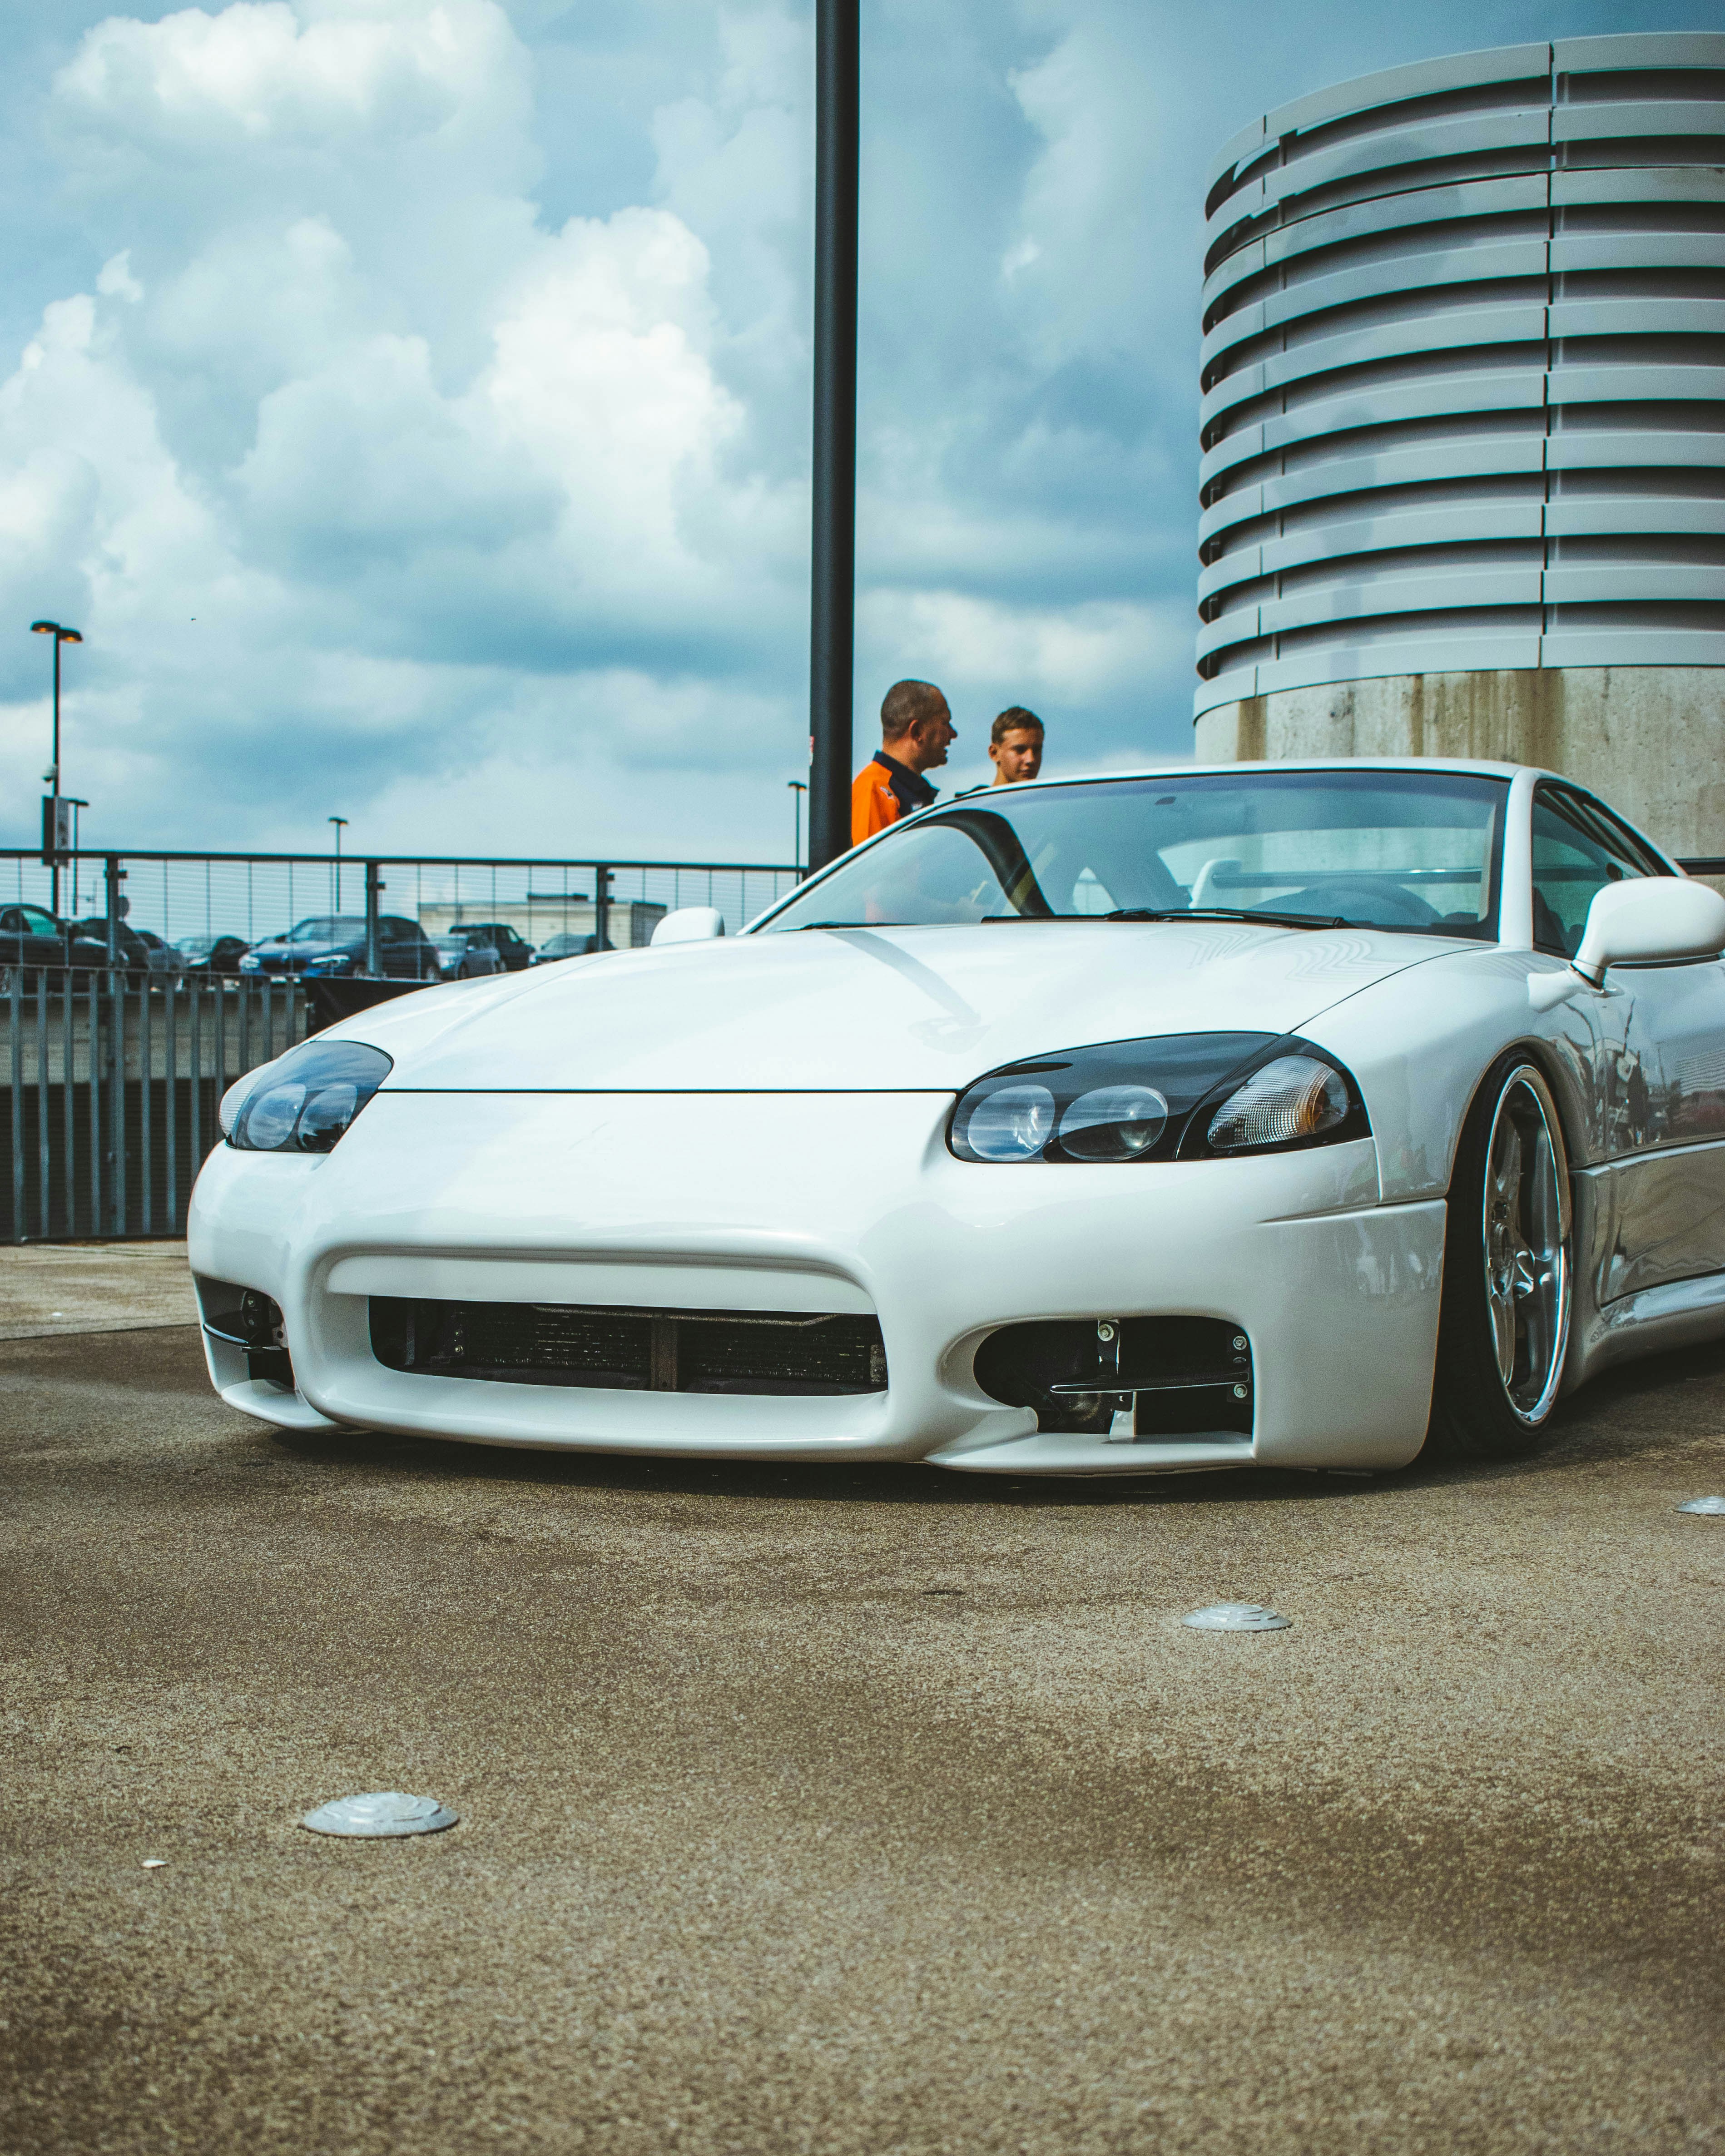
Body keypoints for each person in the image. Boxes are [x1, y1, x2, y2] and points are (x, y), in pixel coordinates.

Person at [851, 679, 956, 845]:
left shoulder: (900, 790)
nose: (953, 734)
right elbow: (877, 861)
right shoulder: (875, 789)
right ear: (917, 731)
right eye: (945, 723)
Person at [988, 706, 1044, 786]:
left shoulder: (1054, 794)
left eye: (1036, 750)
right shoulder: (975, 794)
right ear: (994, 753)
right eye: (1020, 750)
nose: (1031, 760)